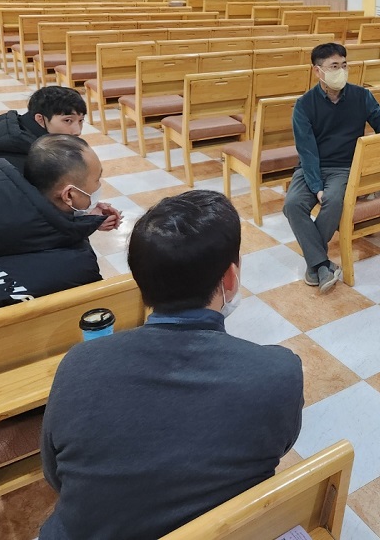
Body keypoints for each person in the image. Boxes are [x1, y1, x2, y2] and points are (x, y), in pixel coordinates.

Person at [40, 190, 304, 540]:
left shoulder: (80, 364)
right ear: (230, 278)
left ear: (139, 278)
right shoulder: (279, 372)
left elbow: (54, 475)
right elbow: (274, 450)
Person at [0, 135, 121, 323]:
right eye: (97, 179)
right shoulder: (77, 265)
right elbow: (93, 320)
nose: (99, 186)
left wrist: (80, 218)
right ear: (69, 195)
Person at [284, 42, 380, 293]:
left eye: (344, 65)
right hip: (311, 166)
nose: (340, 71)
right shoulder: (304, 105)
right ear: (317, 71)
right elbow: (307, 152)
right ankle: (321, 263)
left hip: (344, 167)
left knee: (333, 201)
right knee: (292, 204)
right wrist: (316, 186)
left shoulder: (361, 96)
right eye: (333, 66)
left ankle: (315, 263)